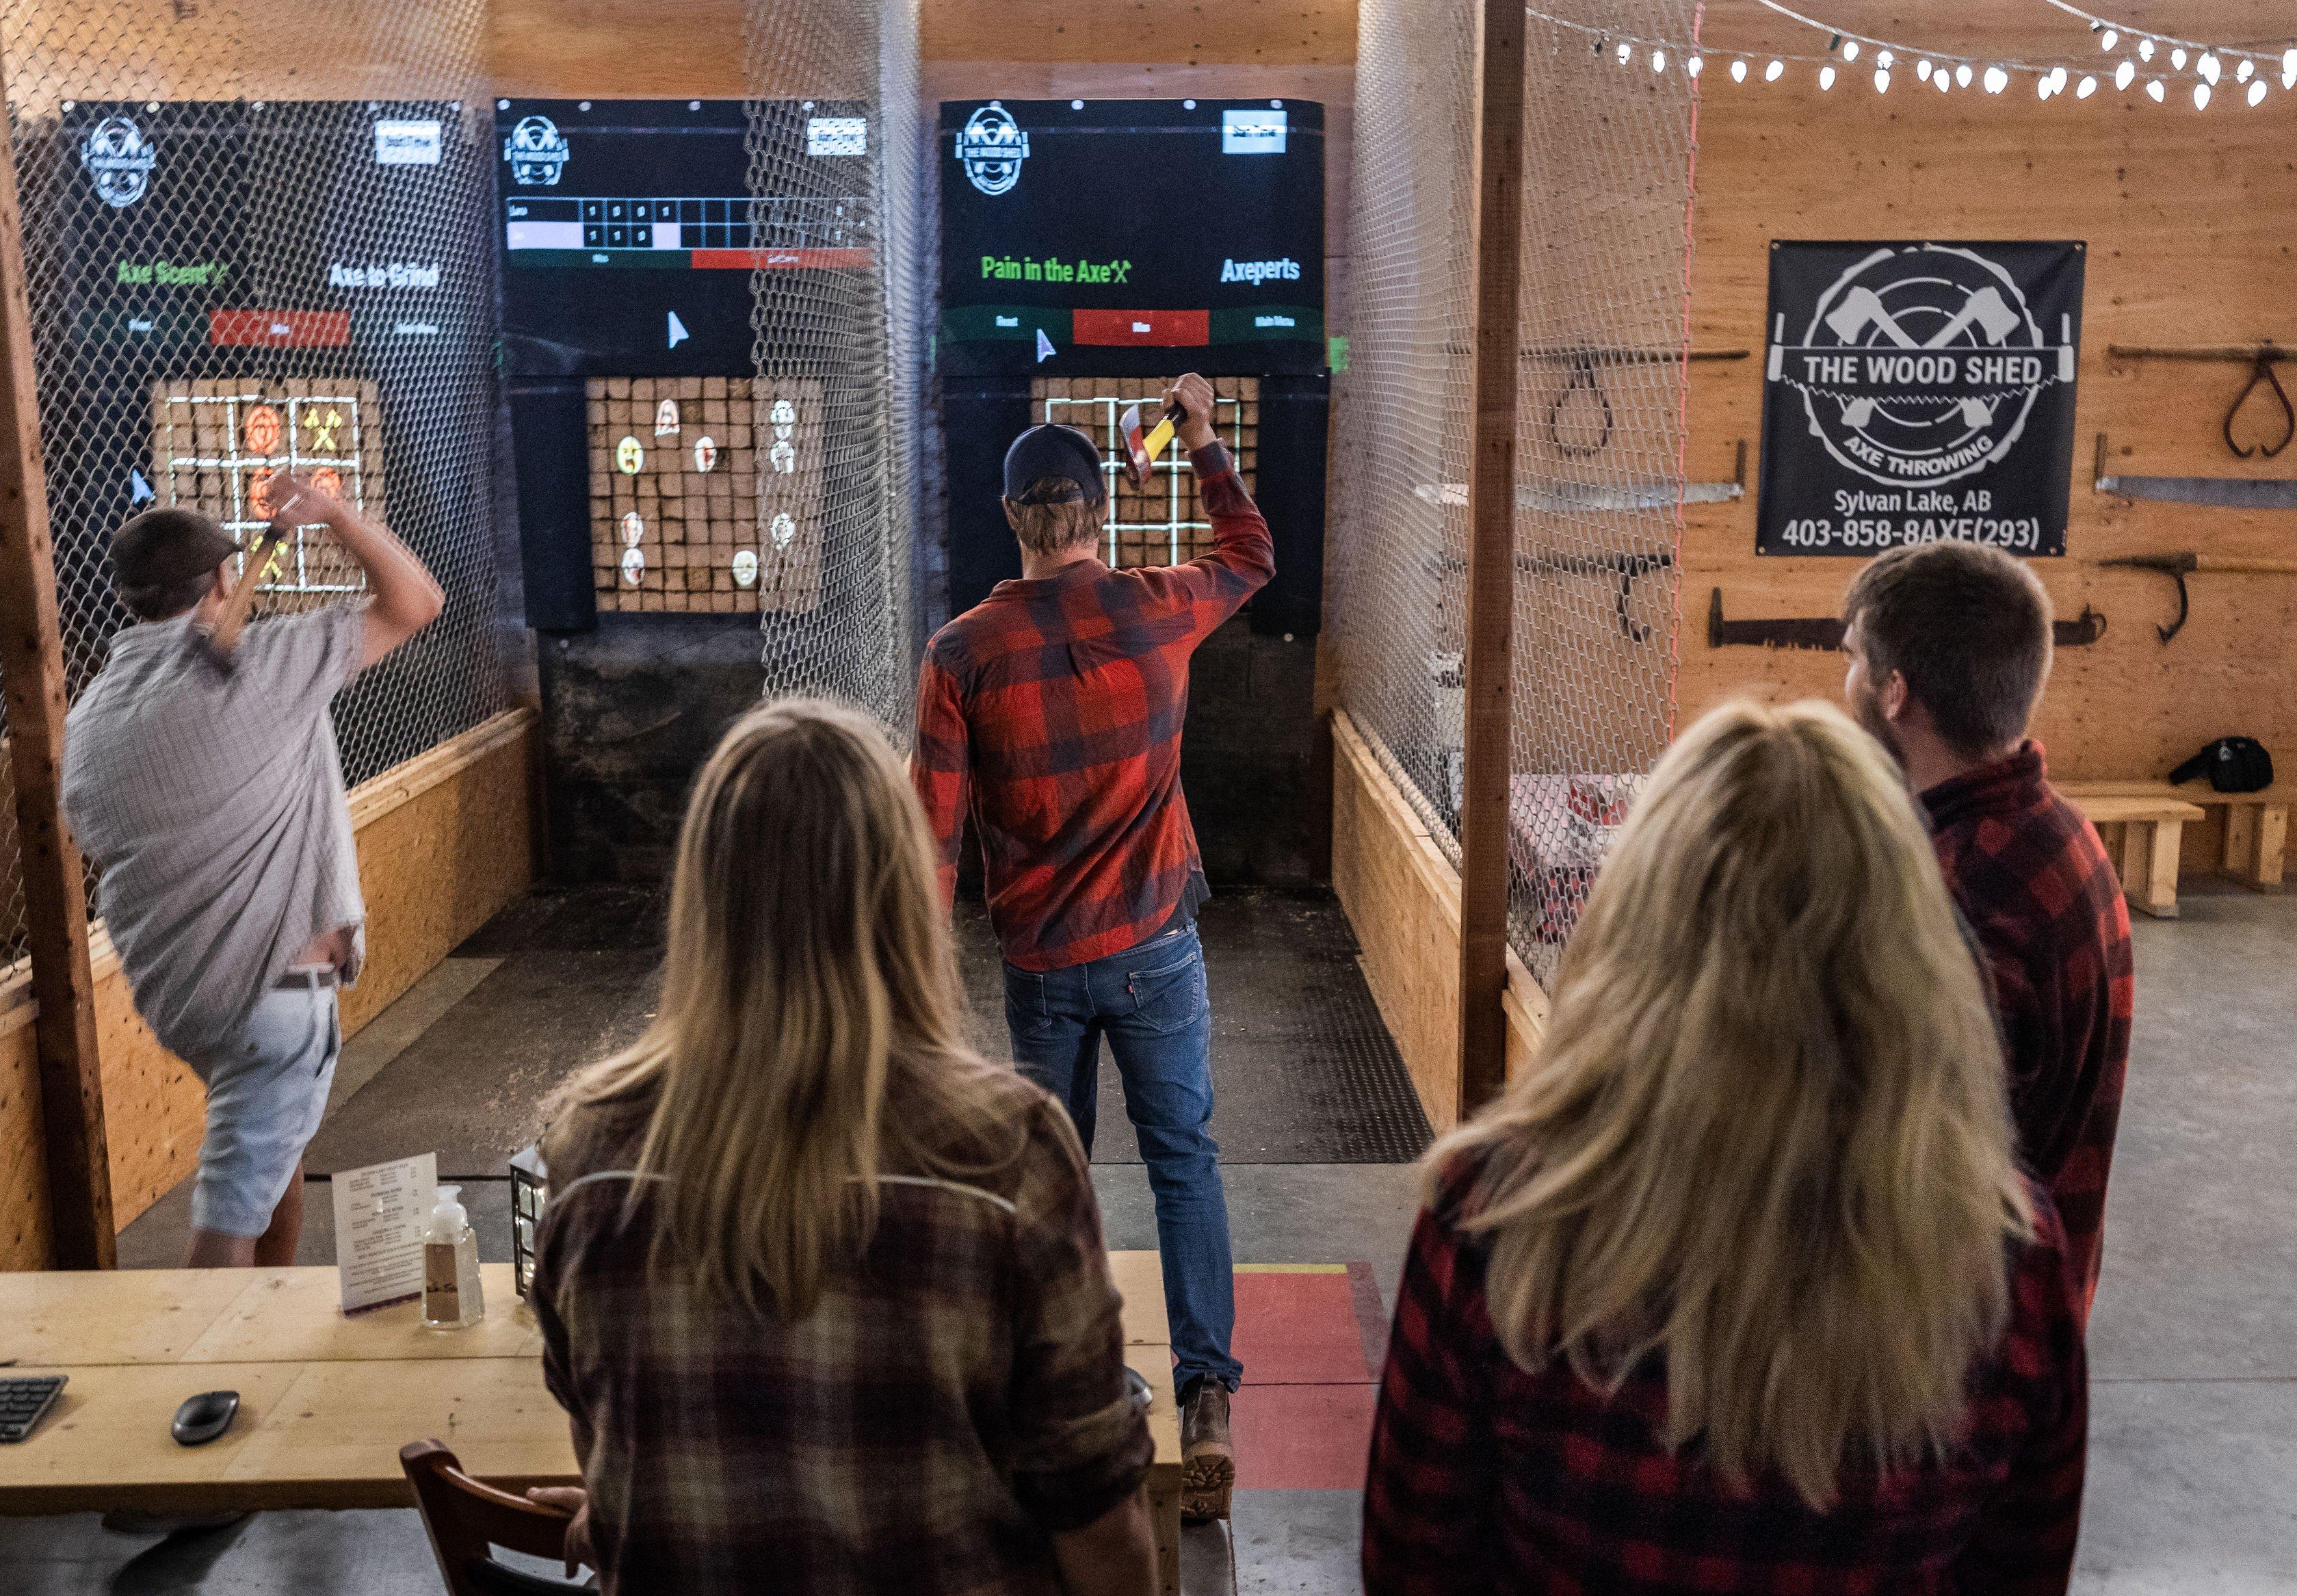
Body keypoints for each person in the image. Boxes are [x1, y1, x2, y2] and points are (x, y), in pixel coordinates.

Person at [1361, 701, 2087, 1595]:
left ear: (1637, 922)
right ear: (1909, 942)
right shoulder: (2011, 1261)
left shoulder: (1494, 1215)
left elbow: (1410, 1565)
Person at [524, 698, 1159, 1596]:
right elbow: (1097, 1533)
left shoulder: (589, 1150)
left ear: (705, 896)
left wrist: (620, 1522)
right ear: (897, 889)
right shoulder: (1005, 1153)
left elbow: (611, 1458)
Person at [912, 374, 1274, 1519]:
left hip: (1044, 964)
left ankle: (1076, 1389)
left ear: (1013, 518)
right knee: (1185, 1158)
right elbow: (1253, 553)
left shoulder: (962, 656)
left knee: (1050, 1182)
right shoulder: (1159, 605)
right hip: (1158, 944)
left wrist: (917, 987)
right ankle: (1209, 1396)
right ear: (1097, 519)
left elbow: (931, 840)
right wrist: (1206, 444)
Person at [62, 480, 441, 1268]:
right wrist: (336, 515)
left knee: (274, 1151)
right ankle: (215, 1371)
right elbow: (416, 601)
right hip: (274, 997)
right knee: (234, 1199)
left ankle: (268, 1326)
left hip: (185, 996)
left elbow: (90, 823)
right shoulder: (259, 666)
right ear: (226, 584)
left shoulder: (95, 710)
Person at [1843, 540, 2131, 1311]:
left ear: (1895, 693)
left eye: (1853, 661)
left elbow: (1903, 1179)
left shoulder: (1957, 895)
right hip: (2031, 1319)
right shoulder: (2064, 829)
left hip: (1947, 1343)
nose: (1847, 684)